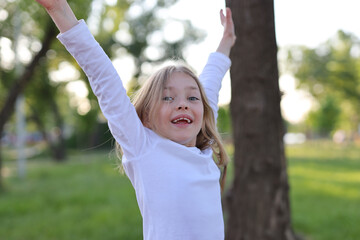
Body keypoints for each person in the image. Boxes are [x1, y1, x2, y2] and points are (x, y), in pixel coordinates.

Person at [35, 0, 236, 239]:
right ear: (147, 119)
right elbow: (103, 77)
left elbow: (210, 84)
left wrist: (226, 43)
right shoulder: (145, 148)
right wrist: (59, 10)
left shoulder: (203, 151)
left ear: (203, 114)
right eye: (168, 98)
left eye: (192, 97)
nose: (183, 103)